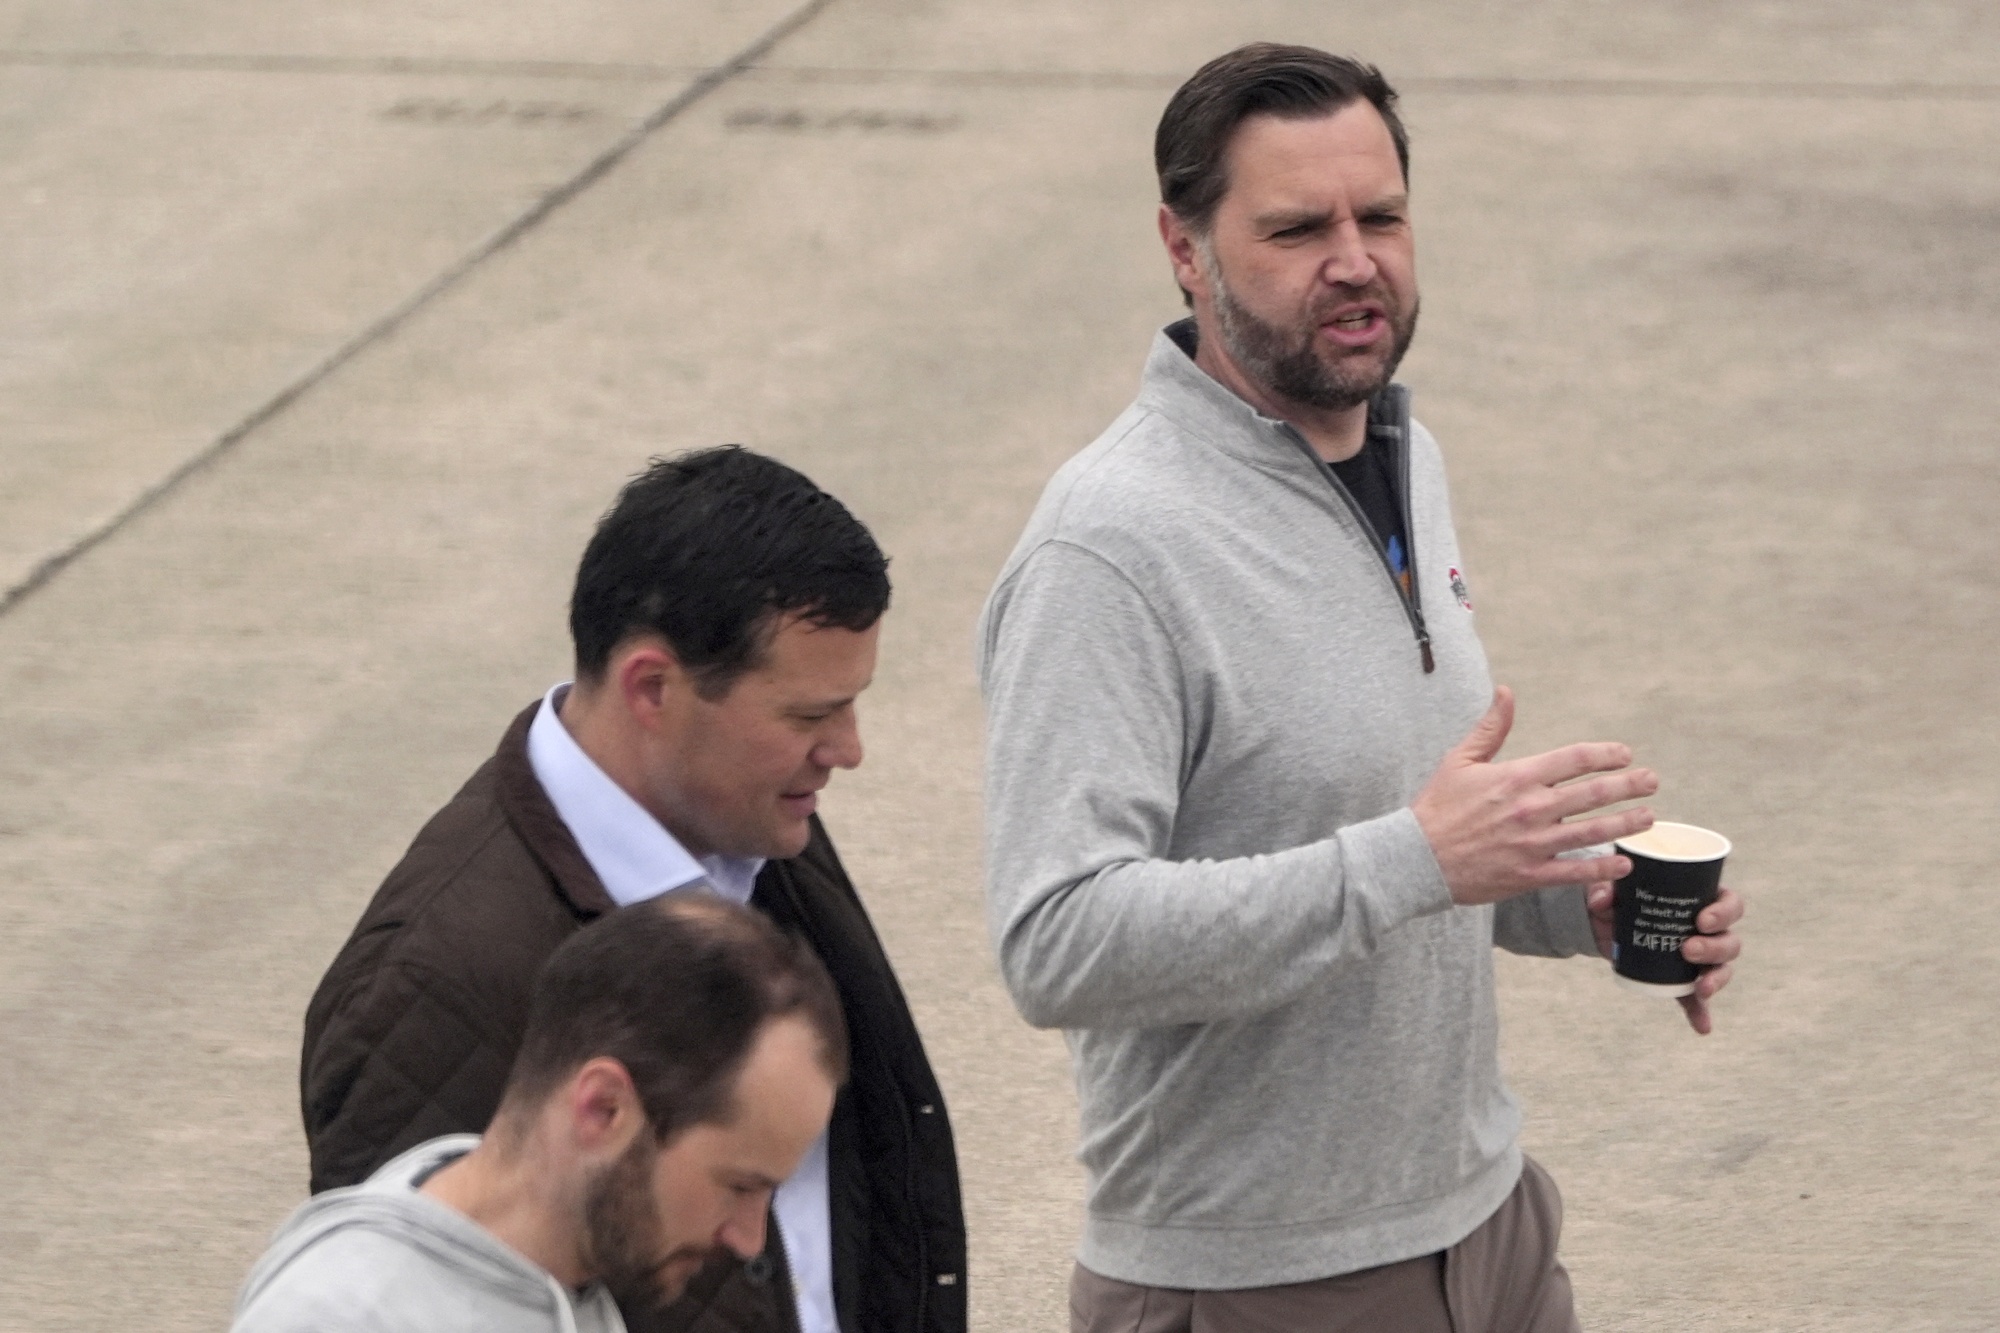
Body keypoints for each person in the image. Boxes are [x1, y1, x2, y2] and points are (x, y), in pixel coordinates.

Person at [976, 43, 1746, 1333]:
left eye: (1379, 215)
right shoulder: (1107, 551)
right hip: (1255, 1285)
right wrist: (1416, 859)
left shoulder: (1403, 452)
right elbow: (1056, 940)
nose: (1354, 259)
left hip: (1488, 1235)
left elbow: (1404, 836)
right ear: (1183, 247)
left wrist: (1582, 901)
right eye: (1293, 228)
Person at [302, 446, 965, 1333]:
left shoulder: (753, 819)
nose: (848, 749)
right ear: (652, 687)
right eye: (809, 714)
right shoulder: (433, 984)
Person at [239, 896, 846, 1333]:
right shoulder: (339, 1316)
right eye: (739, 1186)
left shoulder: (572, 1277)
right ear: (603, 1109)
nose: (748, 1239)